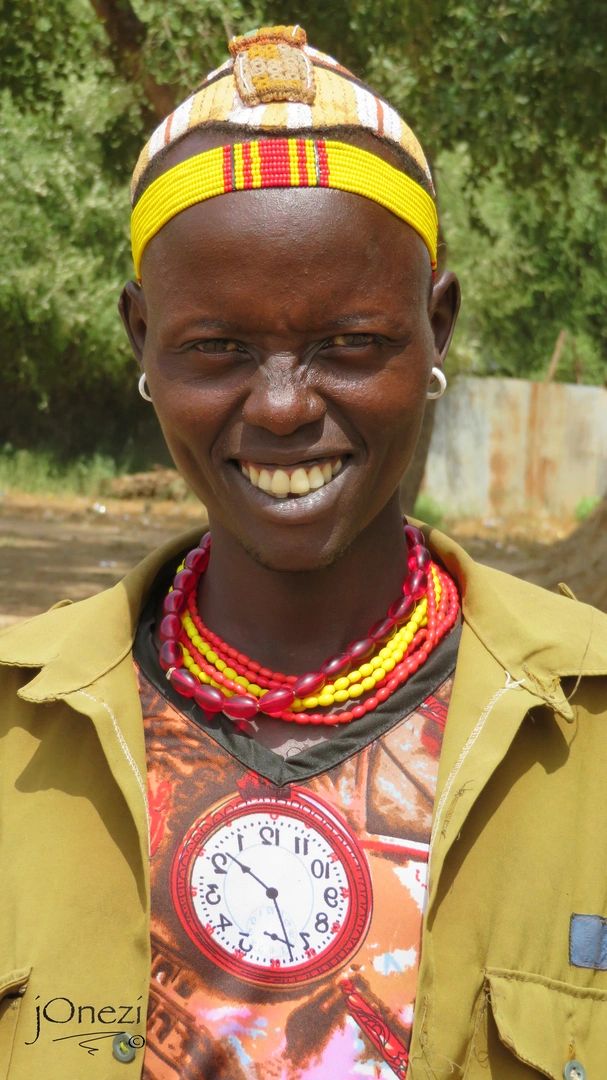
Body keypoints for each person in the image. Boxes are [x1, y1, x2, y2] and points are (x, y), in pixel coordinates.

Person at [1, 24, 606, 1080]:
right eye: (217, 349)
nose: (283, 406)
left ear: (437, 329)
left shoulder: (588, 734)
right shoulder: (16, 730)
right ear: (142, 338)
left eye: (351, 344)